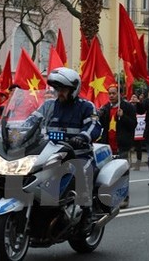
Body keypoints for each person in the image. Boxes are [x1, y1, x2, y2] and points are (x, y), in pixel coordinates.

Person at [29, 67, 101, 225]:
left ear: (74, 90)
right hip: (51, 153)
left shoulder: (86, 107)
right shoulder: (49, 106)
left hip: (78, 154)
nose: (59, 92)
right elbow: (32, 120)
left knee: (83, 170)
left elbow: (94, 125)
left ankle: (87, 212)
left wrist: (83, 136)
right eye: (57, 89)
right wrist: (17, 132)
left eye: (63, 89)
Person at [98, 84, 138, 160]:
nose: (111, 96)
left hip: (122, 146)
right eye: (109, 94)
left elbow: (133, 125)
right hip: (107, 145)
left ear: (120, 94)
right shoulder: (105, 108)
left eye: (114, 93)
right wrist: (100, 116)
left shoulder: (128, 107)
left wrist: (123, 116)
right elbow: (102, 125)